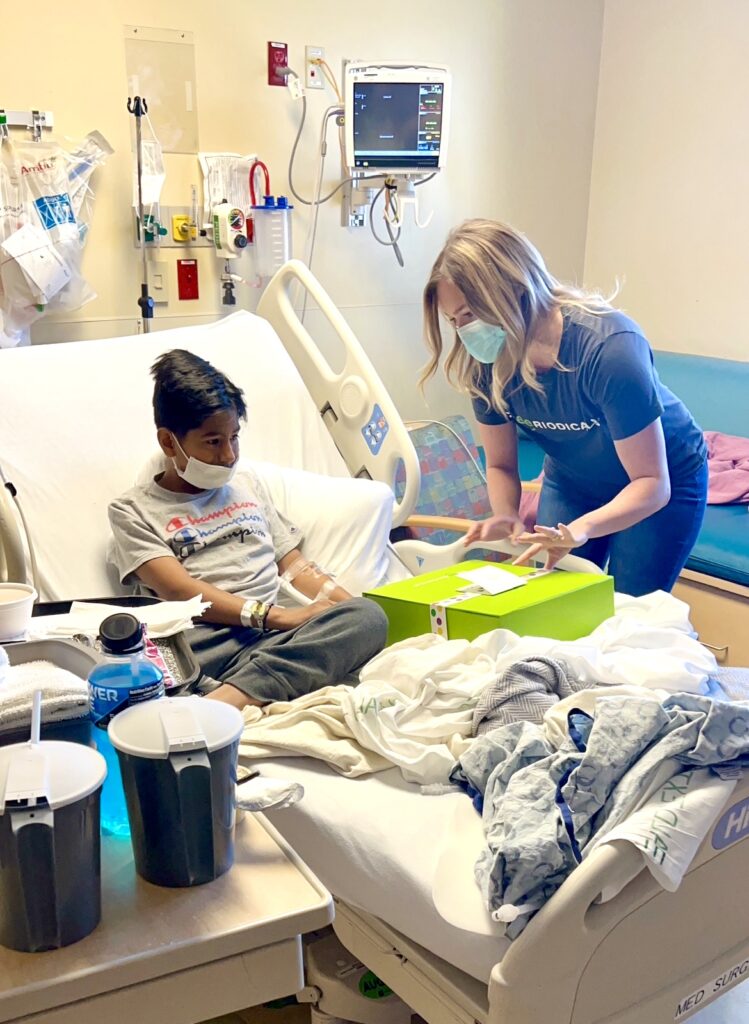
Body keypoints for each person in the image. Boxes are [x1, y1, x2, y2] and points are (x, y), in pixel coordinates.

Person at [421, 219, 707, 597]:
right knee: (553, 599)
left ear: (509, 290)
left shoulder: (609, 349)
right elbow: (500, 464)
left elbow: (652, 484)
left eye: (469, 315)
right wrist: (506, 513)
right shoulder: (484, 367)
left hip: (660, 480)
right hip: (573, 480)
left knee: (629, 611)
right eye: (453, 320)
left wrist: (582, 529)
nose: (462, 332)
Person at [108, 349, 388, 709]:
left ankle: (230, 696)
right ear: (168, 442)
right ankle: (249, 689)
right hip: (204, 641)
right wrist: (281, 617)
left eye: (234, 437)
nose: (228, 455)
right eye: (213, 442)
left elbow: (296, 566)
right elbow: (179, 590)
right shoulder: (132, 511)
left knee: (368, 618)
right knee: (160, 658)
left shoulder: (248, 487)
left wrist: (346, 608)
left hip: (270, 639)